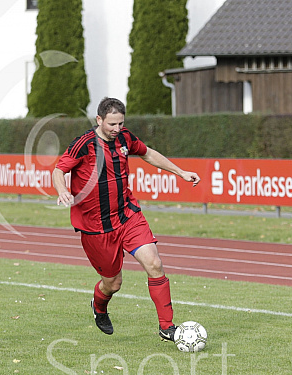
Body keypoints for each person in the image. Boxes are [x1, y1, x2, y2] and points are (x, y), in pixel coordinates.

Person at [52, 97, 200, 341]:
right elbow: (59, 170)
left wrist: (180, 172)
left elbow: (148, 153)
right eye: (112, 124)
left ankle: (167, 326)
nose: (117, 129)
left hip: (127, 215)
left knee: (154, 263)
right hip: (96, 227)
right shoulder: (84, 144)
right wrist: (62, 190)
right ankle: (99, 306)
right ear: (99, 120)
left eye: (121, 123)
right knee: (112, 283)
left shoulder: (125, 138)